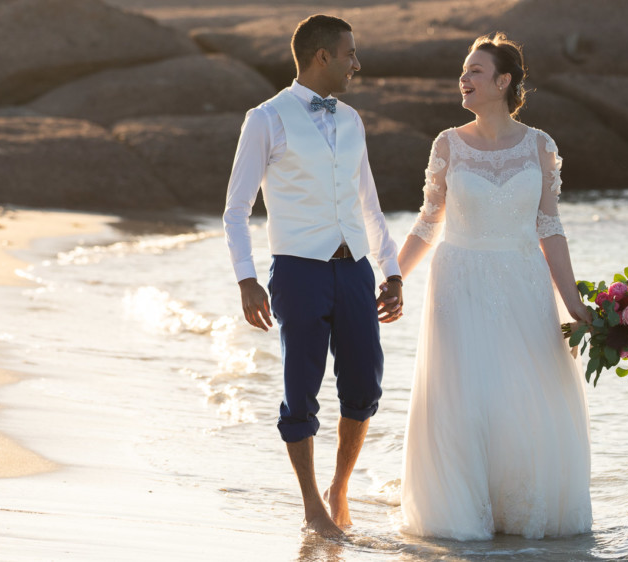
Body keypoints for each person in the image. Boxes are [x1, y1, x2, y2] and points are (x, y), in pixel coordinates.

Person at [397, 32, 593, 540]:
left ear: (503, 81)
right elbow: (427, 222)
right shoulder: (447, 143)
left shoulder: (540, 146)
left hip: (524, 281)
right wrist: (394, 278)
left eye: (475, 71)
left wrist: (574, 303)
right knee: (465, 398)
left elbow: (549, 226)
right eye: (463, 71)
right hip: (458, 282)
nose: (464, 79)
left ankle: (520, 512)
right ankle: (463, 515)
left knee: (524, 398)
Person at [223, 14, 403, 539]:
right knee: (300, 391)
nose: (357, 63)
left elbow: (368, 201)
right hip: (297, 271)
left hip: (354, 272)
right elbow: (237, 209)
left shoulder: (352, 120)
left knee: (365, 385)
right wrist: (246, 279)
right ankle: (311, 507)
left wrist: (390, 271)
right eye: (350, 54)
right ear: (322, 56)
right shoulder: (266, 118)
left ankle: (339, 487)